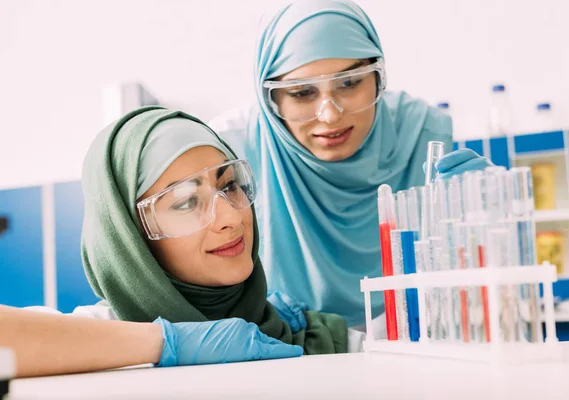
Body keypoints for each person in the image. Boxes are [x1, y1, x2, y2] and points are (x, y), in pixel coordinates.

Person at [0, 107, 356, 378]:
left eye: (229, 185)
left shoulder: (314, 337)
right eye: (186, 203)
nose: (231, 218)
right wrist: (166, 342)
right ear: (131, 239)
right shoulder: (89, 339)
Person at [210, 0, 493, 326]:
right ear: (270, 99)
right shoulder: (232, 151)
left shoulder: (421, 134)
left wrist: (487, 208)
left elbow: (466, 280)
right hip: (289, 351)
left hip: (415, 341)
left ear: (379, 77)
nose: (330, 115)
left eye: (349, 83)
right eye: (302, 93)